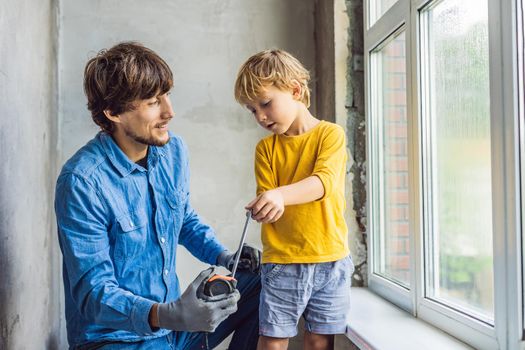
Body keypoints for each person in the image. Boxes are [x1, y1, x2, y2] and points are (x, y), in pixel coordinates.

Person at [55, 41, 261, 350]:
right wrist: (170, 315)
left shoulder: (172, 150)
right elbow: (93, 293)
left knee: (266, 281)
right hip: (115, 340)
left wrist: (224, 256)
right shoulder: (82, 182)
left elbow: (182, 219)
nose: (170, 111)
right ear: (113, 112)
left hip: (176, 331)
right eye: (153, 101)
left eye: (166, 95)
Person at [234, 49, 354, 350]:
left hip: (330, 259)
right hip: (283, 262)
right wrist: (266, 207)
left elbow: (323, 183)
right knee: (273, 341)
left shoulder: (331, 135)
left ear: (296, 90)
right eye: (252, 110)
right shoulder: (266, 150)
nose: (260, 116)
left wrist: (278, 196)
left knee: (319, 341)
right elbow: (272, 202)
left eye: (265, 103)